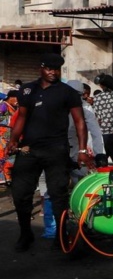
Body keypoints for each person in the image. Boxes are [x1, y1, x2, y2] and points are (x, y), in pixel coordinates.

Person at [6, 53, 95, 252]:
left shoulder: (68, 92)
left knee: (58, 195)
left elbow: (80, 121)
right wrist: (13, 140)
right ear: (41, 67)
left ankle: (62, 236)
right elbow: (21, 117)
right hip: (29, 149)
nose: (53, 72)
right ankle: (25, 234)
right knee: (20, 194)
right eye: (49, 68)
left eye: (57, 69)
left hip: (57, 150)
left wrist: (82, 150)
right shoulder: (28, 89)